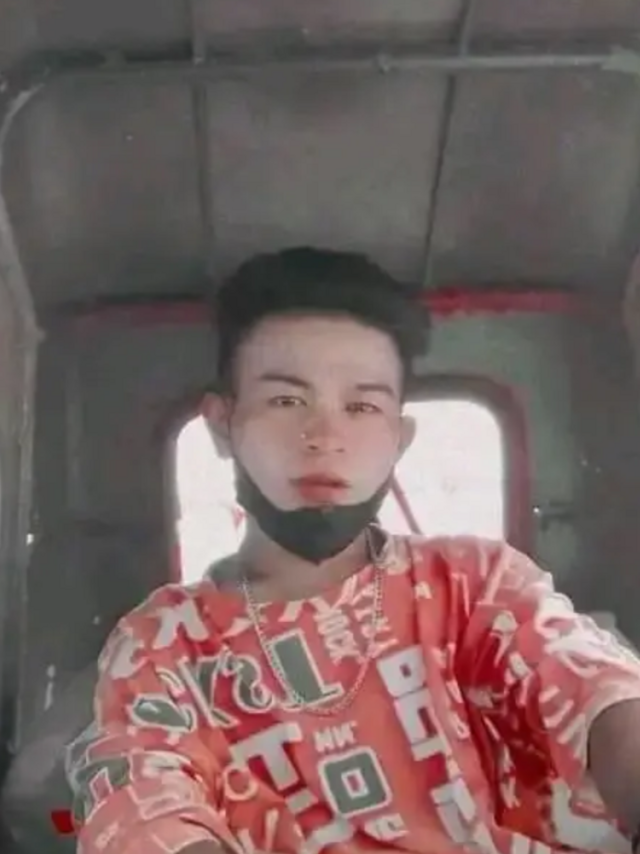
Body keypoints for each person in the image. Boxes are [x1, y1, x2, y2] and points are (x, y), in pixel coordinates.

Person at [66, 247, 640, 854]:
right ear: (222, 424)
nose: (325, 437)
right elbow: (143, 803)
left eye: (362, 406)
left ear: (400, 438)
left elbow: (591, 683)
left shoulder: (473, 584)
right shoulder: (162, 644)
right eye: (287, 401)